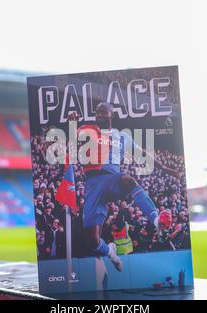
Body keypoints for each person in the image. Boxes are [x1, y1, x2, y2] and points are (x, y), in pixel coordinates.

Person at [68, 102, 178, 271]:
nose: (99, 116)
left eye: (103, 113)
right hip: (93, 185)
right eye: (97, 113)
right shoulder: (88, 130)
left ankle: (156, 221)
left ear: (113, 115)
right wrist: (72, 124)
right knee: (93, 241)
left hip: (112, 180)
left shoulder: (122, 137)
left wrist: (164, 168)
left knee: (128, 179)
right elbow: (73, 139)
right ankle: (110, 252)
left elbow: (142, 153)